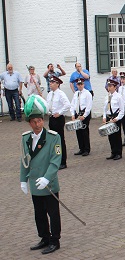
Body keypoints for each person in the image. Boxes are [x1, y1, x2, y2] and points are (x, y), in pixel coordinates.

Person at [20, 95, 62, 254]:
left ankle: (55, 240)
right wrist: (23, 180)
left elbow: (55, 161)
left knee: (53, 213)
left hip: (49, 184)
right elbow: (24, 160)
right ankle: (44, 237)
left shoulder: (53, 137)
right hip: (35, 184)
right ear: (30, 123)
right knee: (39, 214)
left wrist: (47, 178)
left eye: (40, 121)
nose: (37, 124)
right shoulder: (25, 138)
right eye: (34, 122)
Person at [46, 76, 70, 170]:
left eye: (52, 83)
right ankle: (55, 159)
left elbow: (67, 105)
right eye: (50, 82)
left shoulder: (60, 94)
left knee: (59, 140)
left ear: (57, 84)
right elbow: (48, 106)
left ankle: (63, 161)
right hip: (51, 118)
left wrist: (59, 113)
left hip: (58, 119)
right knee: (53, 141)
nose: (50, 84)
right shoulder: (49, 94)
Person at [70, 78, 93, 156]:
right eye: (78, 84)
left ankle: (87, 149)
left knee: (84, 132)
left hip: (84, 114)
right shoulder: (76, 94)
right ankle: (81, 148)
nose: (80, 86)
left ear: (83, 84)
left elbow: (89, 106)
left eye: (81, 84)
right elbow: (73, 105)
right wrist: (73, 114)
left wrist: (84, 115)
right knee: (78, 132)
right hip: (77, 114)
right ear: (76, 85)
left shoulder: (87, 93)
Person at [103, 79, 125, 160]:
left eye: (110, 86)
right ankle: (113, 152)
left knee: (117, 136)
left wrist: (117, 118)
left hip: (115, 117)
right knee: (110, 136)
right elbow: (105, 108)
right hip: (109, 117)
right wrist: (104, 117)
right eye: (108, 86)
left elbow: (122, 110)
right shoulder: (107, 96)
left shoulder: (119, 97)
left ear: (115, 87)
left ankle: (118, 153)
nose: (109, 88)